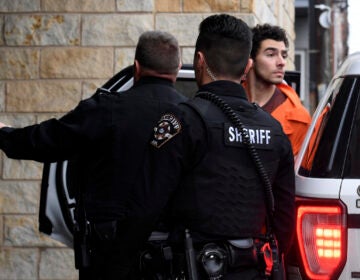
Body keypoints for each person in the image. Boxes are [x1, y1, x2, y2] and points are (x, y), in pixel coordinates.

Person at [0, 30, 186, 279]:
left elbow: (45, 141)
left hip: (106, 254)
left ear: (137, 67)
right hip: (171, 259)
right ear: (177, 70)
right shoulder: (193, 116)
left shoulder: (106, 109)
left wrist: (4, 134)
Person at [136, 14, 295, 279]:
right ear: (247, 67)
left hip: (190, 268)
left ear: (199, 61)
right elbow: (285, 216)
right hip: (253, 270)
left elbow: (146, 203)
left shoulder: (180, 120)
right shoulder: (274, 130)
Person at [243, 24, 311, 158]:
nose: (281, 62)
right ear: (251, 59)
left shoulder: (299, 119)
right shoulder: (227, 101)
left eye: (284, 55)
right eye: (271, 54)